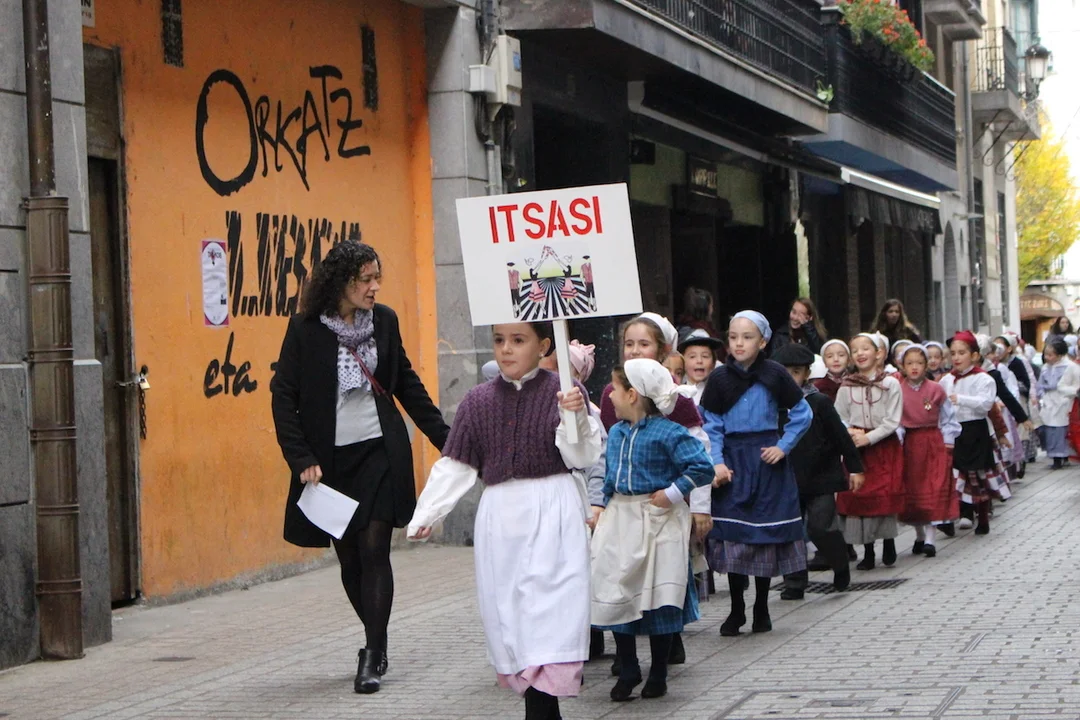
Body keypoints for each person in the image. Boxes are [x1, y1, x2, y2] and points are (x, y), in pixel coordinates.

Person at [270, 240, 451, 695]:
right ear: (340, 283)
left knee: (374, 550)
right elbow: (283, 396)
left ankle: (372, 653)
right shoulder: (305, 329)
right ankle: (377, 639)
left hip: (380, 453)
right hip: (330, 464)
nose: (374, 288)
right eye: (365, 280)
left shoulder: (384, 321)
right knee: (350, 559)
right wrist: (301, 458)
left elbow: (406, 383)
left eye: (376, 279)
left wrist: (447, 439)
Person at [407, 321, 602, 720]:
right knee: (511, 608)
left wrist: (575, 417)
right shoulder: (477, 401)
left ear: (543, 345)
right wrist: (428, 512)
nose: (506, 349)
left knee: (553, 605)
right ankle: (537, 702)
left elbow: (582, 455)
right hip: (502, 517)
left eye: (518, 340)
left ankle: (543, 707)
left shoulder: (565, 391)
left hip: (554, 509)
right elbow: (457, 462)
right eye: (499, 340)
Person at [591, 360, 715, 702]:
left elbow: (702, 467)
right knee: (619, 589)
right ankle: (629, 666)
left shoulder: (669, 432)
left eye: (615, 389)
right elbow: (610, 475)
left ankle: (658, 670)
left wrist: (672, 493)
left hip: (659, 520)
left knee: (658, 597)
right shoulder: (616, 433)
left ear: (633, 394)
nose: (610, 396)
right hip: (621, 519)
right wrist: (599, 505)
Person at [700, 310, 812, 636]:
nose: (739, 343)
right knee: (735, 537)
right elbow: (711, 424)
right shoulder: (719, 379)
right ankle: (737, 608)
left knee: (764, 538)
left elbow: (802, 413)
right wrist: (716, 461)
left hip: (766, 462)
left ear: (762, 342)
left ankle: (761, 606)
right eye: (733, 337)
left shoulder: (775, 374)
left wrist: (783, 446)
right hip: (733, 462)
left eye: (747, 337)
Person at [772, 343, 864, 599]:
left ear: (807, 373)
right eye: (784, 372)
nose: (790, 378)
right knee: (790, 530)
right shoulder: (772, 405)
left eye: (796, 372)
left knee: (820, 527)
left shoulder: (818, 402)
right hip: (785, 477)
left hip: (821, 476)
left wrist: (855, 468)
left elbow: (840, 437)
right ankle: (794, 581)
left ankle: (839, 561)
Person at [834, 333, 904, 571]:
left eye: (866, 348)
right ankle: (868, 550)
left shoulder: (891, 384)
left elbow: (892, 420)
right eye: (855, 350)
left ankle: (889, 541)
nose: (860, 354)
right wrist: (850, 433)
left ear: (879, 353)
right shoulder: (846, 386)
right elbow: (839, 417)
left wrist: (869, 437)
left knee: (884, 495)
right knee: (859, 497)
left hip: (883, 446)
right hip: (857, 449)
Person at [896, 345, 961, 558]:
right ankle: (919, 534)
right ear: (902, 366)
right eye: (910, 363)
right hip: (910, 444)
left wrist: (948, 442)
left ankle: (931, 539)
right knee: (913, 488)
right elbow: (896, 420)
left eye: (919, 363)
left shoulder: (936, 389)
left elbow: (948, 417)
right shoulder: (898, 390)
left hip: (933, 441)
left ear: (926, 366)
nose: (914, 367)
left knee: (934, 485)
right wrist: (898, 440)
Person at [939, 331, 1001, 535]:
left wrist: (961, 399)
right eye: (953, 353)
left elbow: (986, 404)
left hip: (975, 429)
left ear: (974, 355)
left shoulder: (983, 379)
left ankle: (982, 516)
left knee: (977, 474)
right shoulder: (946, 380)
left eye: (961, 353)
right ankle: (954, 515)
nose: (956, 357)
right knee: (955, 473)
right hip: (954, 430)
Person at [1038, 339, 1080, 470]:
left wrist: (1071, 393)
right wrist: (1041, 395)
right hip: (1048, 401)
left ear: (1060, 355)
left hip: (1064, 401)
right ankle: (1054, 454)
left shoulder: (1070, 366)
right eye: (1046, 354)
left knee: (1061, 430)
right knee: (1049, 430)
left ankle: (1061, 456)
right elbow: (1040, 384)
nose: (1047, 357)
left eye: (1051, 355)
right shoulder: (1045, 368)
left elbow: (1076, 385)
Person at [678, 329, 725, 405]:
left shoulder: (720, 393)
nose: (699, 361)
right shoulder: (677, 394)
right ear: (683, 362)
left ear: (713, 363)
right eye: (692, 356)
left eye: (705, 356)